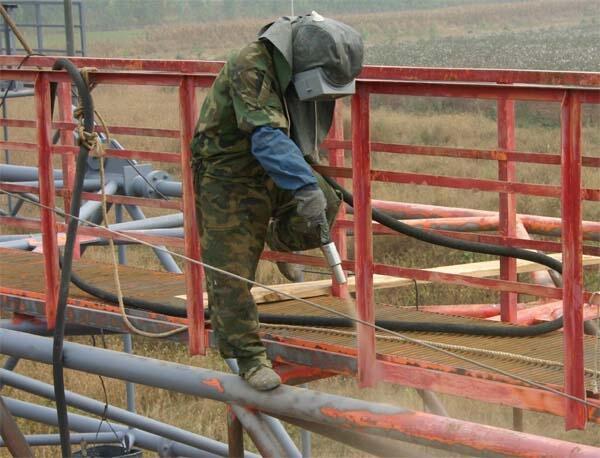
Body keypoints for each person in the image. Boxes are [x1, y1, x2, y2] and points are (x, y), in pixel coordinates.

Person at [191, 12, 363, 390]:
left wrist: (309, 188)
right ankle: (249, 358)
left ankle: (274, 236)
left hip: (275, 164)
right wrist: (302, 186)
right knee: (231, 269)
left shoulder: (294, 70)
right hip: (228, 173)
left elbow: (284, 142)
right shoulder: (250, 65)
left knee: (327, 202)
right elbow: (266, 137)